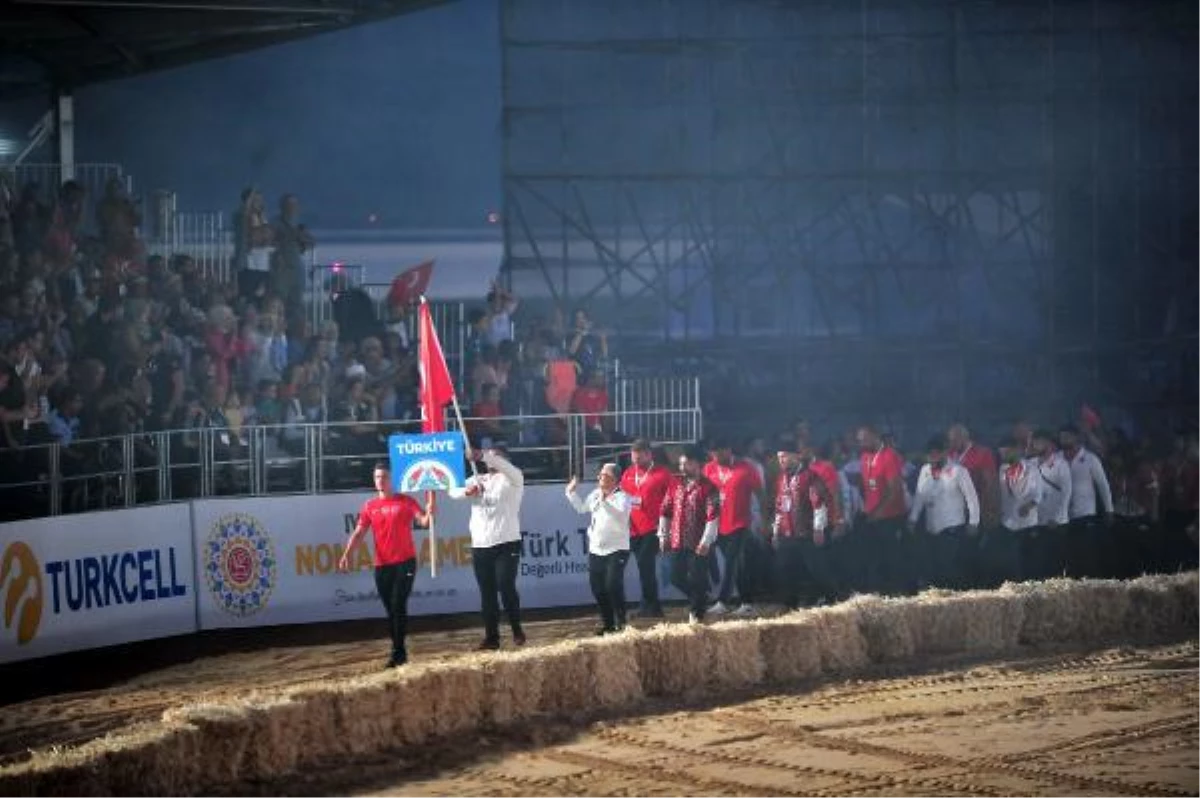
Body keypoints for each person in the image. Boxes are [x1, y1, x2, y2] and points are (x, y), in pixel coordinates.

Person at [338, 461, 434, 669]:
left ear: (392, 479)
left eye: (384, 477)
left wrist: (430, 510)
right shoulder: (370, 506)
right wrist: (347, 554)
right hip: (382, 565)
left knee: (398, 606)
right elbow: (359, 533)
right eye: (377, 477)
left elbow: (425, 522)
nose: (380, 481)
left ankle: (398, 653)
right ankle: (398, 648)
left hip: (405, 563)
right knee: (391, 609)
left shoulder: (406, 501)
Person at [448, 443, 527, 650]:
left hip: (506, 542)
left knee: (505, 585)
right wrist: (468, 491)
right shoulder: (478, 478)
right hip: (481, 545)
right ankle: (492, 637)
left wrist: (483, 455)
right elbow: (452, 491)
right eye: (488, 458)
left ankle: (516, 629)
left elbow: (504, 466)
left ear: (505, 460)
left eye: (495, 457)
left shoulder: (514, 478)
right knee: (487, 592)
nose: (489, 461)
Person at [565, 463, 632, 635]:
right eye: (600, 474)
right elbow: (581, 508)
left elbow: (620, 515)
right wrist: (571, 492)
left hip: (617, 549)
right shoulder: (595, 494)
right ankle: (608, 624)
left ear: (613, 479)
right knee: (598, 588)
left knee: (612, 585)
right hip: (596, 549)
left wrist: (604, 501)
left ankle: (621, 621)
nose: (599, 477)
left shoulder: (622, 497)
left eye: (603, 475)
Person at [908, 435, 980, 589]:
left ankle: (955, 598)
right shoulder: (925, 470)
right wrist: (913, 519)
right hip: (931, 527)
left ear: (945, 453)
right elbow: (919, 496)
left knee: (949, 568)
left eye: (936, 453)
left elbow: (971, 497)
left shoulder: (958, 471)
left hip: (952, 526)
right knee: (934, 567)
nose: (933, 457)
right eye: (930, 454)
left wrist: (974, 522)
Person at [658, 447, 720, 624]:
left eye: (687, 463)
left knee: (697, 576)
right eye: (681, 463)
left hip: (698, 541)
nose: (682, 467)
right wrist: (663, 535)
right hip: (678, 540)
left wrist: (706, 541)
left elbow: (713, 516)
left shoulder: (709, 487)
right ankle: (701, 597)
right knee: (675, 577)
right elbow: (665, 510)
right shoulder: (675, 483)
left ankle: (696, 613)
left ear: (697, 464)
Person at [703, 439, 765, 617]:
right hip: (719, 524)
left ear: (729, 450)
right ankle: (747, 603)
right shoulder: (709, 468)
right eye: (713, 454)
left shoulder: (746, 468)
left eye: (719, 453)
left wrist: (765, 520)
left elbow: (761, 494)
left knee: (730, 563)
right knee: (737, 565)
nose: (716, 457)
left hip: (740, 523)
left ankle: (723, 601)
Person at [772, 446, 834, 610]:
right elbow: (779, 506)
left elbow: (819, 503)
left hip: (806, 532)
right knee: (784, 567)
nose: (781, 461)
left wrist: (819, 528)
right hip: (787, 532)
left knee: (816, 567)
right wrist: (775, 531)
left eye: (784, 457)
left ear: (796, 457)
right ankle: (790, 603)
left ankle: (831, 598)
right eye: (779, 458)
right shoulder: (781, 479)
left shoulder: (810, 476)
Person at [620, 438, 673, 617]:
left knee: (645, 564)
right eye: (633, 458)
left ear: (649, 455)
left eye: (639, 458)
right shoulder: (628, 473)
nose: (636, 462)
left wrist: (668, 525)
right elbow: (624, 499)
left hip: (654, 527)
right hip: (633, 528)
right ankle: (651, 605)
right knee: (645, 568)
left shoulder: (662, 473)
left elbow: (674, 498)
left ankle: (652, 606)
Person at [856, 425, 908, 594]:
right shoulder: (864, 457)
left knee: (893, 558)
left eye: (864, 439)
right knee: (874, 558)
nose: (861, 443)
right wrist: (866, 510)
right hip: (872, 517)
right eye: (859, 440)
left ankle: (899, 594)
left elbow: (895, 490)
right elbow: (867, 486)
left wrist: (878, 513)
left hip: (891, 517)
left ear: (875, 436)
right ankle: (878, 594)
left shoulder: (890, 456)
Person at [1060, 424, 1114, 578]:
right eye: (1061, 437)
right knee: (1070, 554)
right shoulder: (1057, 458)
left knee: (1087, 554)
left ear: (1076, 438)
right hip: (1065, 515)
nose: (1063, 440)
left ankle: (1091, 584)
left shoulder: (1090, 458)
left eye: (1066, 436)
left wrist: (1109, 510)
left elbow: (1103, 485)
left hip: (1086, 513)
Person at [997, 436, 1043, 582]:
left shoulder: (1031, 468)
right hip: (1009, 522)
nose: (1003, 456)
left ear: (1016, 451)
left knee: (1028, 560)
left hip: (1027, 522)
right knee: (1013, 562)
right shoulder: (1002, 469)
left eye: (1006, 453)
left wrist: (1029, 506)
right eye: (1001, 453)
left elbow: (1038, 492)